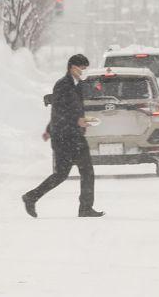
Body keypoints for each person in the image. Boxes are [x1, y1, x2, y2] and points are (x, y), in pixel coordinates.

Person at [22, 54, 104, 218]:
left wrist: (97, 87)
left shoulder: (78, 85)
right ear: (73, 67)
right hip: (63, 138)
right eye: (82, 68)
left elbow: (75, 107)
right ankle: (31, 197)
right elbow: (59, 110)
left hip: (75, 136)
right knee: (61, 175)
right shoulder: (62, 85)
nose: (83, 71)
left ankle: (85, 208)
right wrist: (76, 121)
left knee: (87, 171)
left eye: (85, 68)